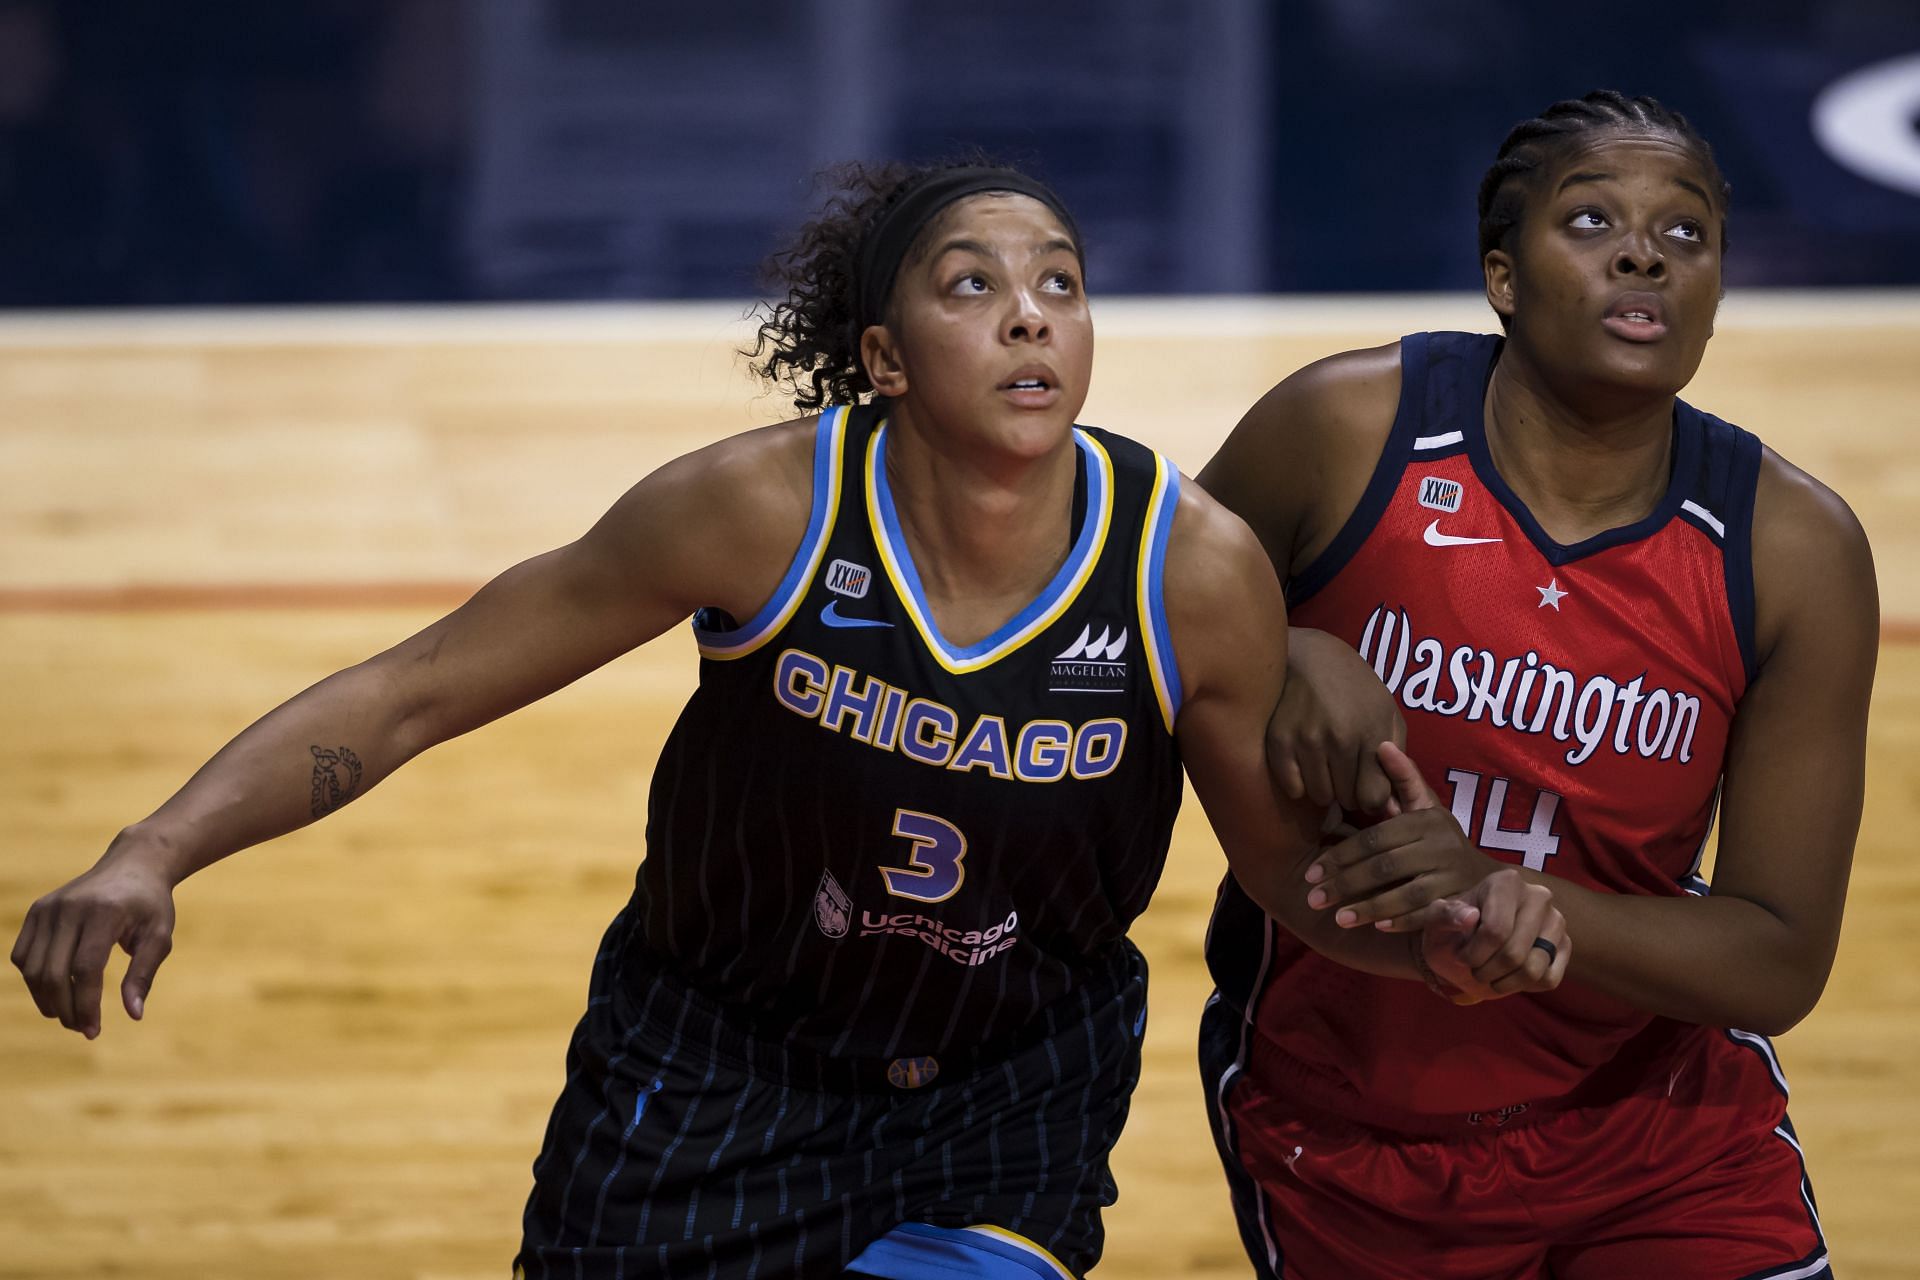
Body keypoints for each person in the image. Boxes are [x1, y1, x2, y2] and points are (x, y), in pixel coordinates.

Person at [11, 159, 1561, 1279]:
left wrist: (1446, 930)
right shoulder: (758, 511)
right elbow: (414, 692)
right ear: (883, 359)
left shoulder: (1189, 573)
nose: (1031, 315)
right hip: (707, 1074)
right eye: (974, 285)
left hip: (1001, 1101)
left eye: (1060, 283)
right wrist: (152, 851)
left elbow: (1287, 881)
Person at [1197, 91, 1877, 1279]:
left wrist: (1532, 902)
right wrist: (1286, 647)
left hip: (1662, 1137)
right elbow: (1131, 622)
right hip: (1349, 1129)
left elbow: (1777, 956)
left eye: (1685, 233)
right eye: (1593, 219)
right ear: (1501, 276)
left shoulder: (1794, 546)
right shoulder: (1345, 430)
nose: (1641, 253)